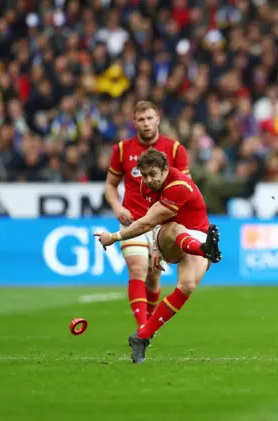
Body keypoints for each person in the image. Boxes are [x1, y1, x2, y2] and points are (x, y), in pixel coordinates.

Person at [95, 149, 222, 364]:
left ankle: (141, 337)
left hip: (196, 235)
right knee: (174, 227)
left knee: (187, 286)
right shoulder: (147, 186)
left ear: (165, 169)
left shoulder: (178, 186)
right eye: (144, 175)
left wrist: (114, 237)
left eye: (153, 174)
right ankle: (205, 249)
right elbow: (153, 221)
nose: (148, 180)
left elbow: (148, 221)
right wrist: (153, 247)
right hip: (177, 238)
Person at [105, 101, 189, 330]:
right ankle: (143, 330)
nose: (146, 123)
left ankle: (147, 327)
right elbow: (111, 185)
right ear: (134, 122)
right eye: (141, 119)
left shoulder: (174, 150)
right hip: (133, 220)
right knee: (137, 268)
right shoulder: (122, 150)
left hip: (161, 223)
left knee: (153, 278)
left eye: (150, 118)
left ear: (158, 119)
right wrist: (117, 207)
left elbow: (184, 187)